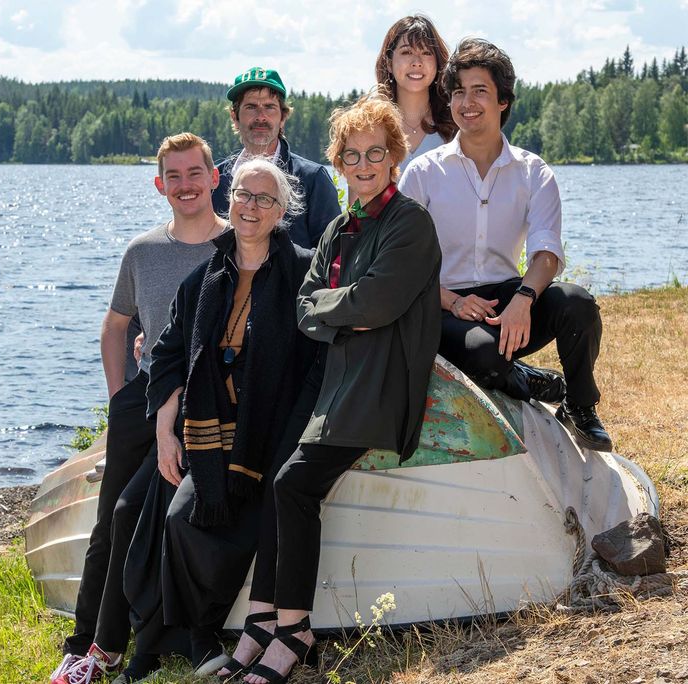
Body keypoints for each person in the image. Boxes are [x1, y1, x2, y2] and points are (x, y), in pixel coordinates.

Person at [241, 93, 442, 684]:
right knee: (278, 475)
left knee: (294, 484)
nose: (362, 164)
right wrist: (341, 310)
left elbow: (377, 305)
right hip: (338, 383)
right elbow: (306, 311)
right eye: (351, 155)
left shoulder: (410, 223)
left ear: (394, 157)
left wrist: (340, 310)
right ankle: (266, 621)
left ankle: (295, 630)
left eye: (374, 153)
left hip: (380, 385)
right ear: (338, 162)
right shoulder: (337, 226)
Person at [131, 158, 319, 680]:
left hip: (275, 430)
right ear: (227, 200)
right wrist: (166, 430)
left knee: (256, 515)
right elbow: (167, 355)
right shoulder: (205, 278)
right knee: (178, 519)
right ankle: (201, 634)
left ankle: (253, 627)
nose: (250, 207)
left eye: (264, 199)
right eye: (242, 195)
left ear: (282, 211)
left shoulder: (302, 272)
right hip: (213, 436)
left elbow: (323, 354)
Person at [50, 133, 226, 684]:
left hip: (204, 405)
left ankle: (140, 639)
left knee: (142, 514)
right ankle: (84, 644)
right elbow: (115, 325)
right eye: (173, 177)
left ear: (214, 177)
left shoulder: (235, 245)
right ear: (159, 186)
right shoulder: (142, 252)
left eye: (194, 173)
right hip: (144, 398)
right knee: (108, 523)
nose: (185, 185)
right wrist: (119, 396)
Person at [399, 38, 612, 451]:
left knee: (578, 304)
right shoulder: (422, 173)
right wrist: (452, 302)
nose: (467, 102)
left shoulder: (534, 172)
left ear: (503, 100)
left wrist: (524, 299)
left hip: (508, 298)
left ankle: (580, 406)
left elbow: (546, 252)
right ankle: (526, 377)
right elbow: (403, 261)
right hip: (441, 303)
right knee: (485, 356)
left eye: (480, 90)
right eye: (458, 91)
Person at [212, 67, 341, 249]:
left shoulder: (312, 179)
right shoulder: (215, 180)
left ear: (283, 117)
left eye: (269, 107)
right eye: (251, 107)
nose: (261, 117)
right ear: (235, 116)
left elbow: (333, 254)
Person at [375, 14, 457, 171]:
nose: (417, 62)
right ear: (389, 63)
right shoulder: (371, 127)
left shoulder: (456, 125)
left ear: (438, 63)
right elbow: (359, 194)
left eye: (426, 53)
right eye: (406, 52)